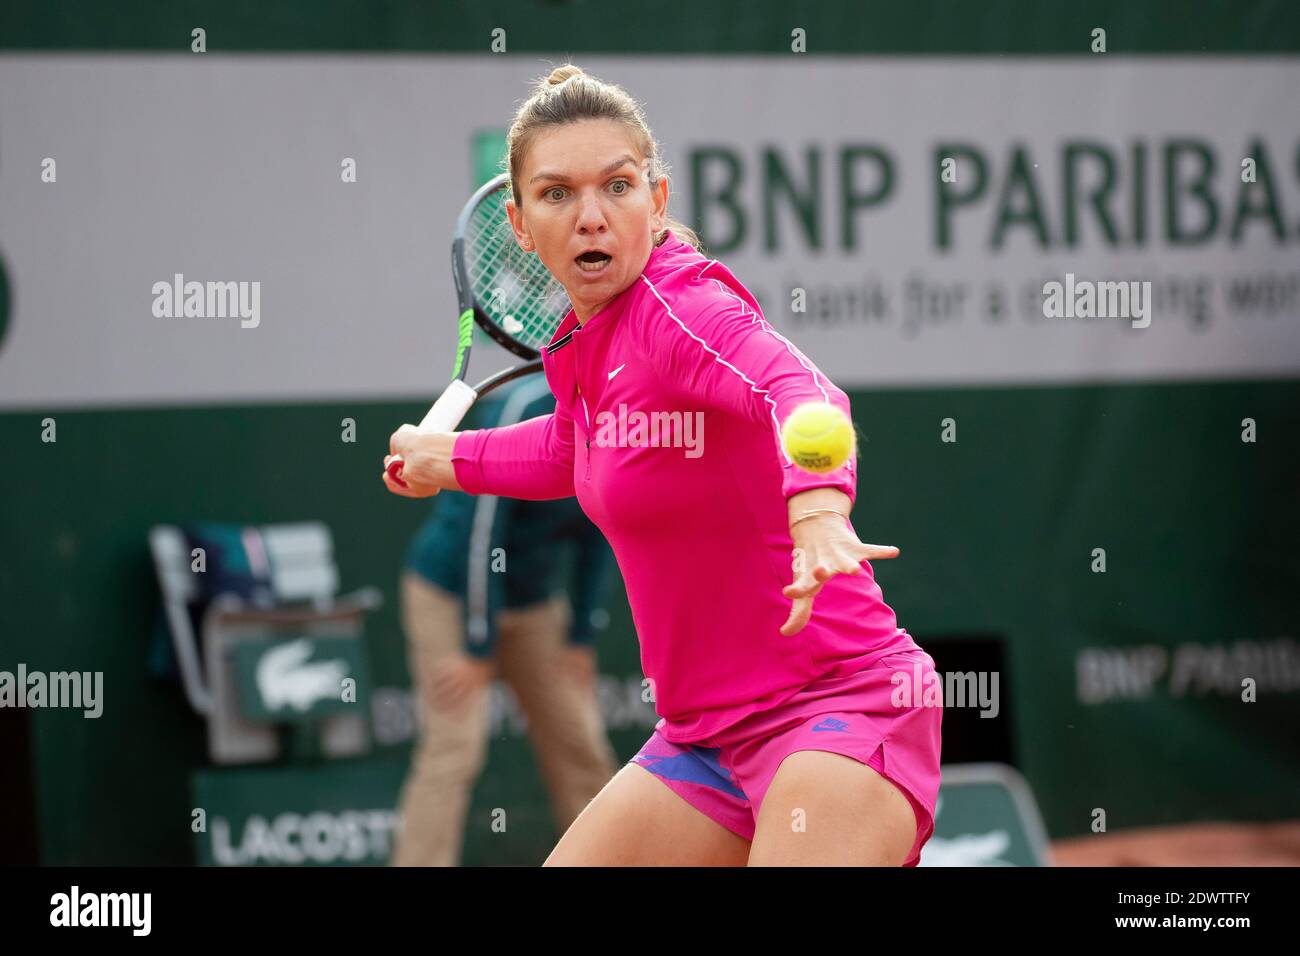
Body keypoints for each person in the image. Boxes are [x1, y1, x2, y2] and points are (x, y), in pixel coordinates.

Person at [384, 64, 942, 866]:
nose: (591, 218)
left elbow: (804, 391)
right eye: (556, 195)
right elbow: (577, 449)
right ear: (518, 222)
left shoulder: (679, 310)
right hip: (703, 740)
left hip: (837, 705)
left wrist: (818, 508)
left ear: (658, 200)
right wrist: (454, 458)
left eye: (617, 187)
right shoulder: (582, 341)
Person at [390, 374, 619, 866]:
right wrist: (477, 648)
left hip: (533, 605)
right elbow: (482, 540)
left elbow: (603, 531)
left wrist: (581, 637)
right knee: (454, 748)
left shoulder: (623, 414)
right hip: (451, 595)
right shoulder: (520, 409)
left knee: (578, 741)